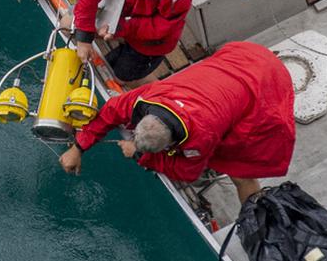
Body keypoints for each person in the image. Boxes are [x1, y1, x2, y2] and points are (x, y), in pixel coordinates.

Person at [58, 41, 296, 203]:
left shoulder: (201, 135)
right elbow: (111, 111)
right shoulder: (149, 98)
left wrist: (140, 154)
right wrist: (78, 147)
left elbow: (187, 170)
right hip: (244, 58)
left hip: (266, 83)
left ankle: (253, 220)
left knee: (241, 172)